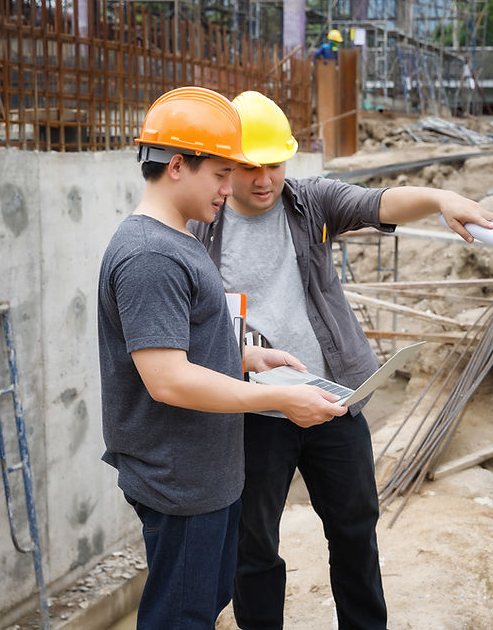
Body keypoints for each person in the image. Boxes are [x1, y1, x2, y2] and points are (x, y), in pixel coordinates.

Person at [188, 91, 493, 630]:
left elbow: (377, 203)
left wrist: (439, 197)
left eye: (275, 166)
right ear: (224, 167)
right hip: (255, 412)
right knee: (253, 545)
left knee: (355, 528)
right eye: (248, 168)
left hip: (333, 399)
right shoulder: (199, 230)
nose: (264, 180)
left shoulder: (309, 203)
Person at [97, 86, 347, 629]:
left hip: (206, 476)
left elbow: (183, 349)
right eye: (219, 174)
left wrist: (243, 360)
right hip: (181, 481)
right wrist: (280, 397)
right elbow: (167, 380)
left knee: (202, 606)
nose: (228, 187)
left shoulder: (180, 241)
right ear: (179, 166)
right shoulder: (150, 257)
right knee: (180, 617)